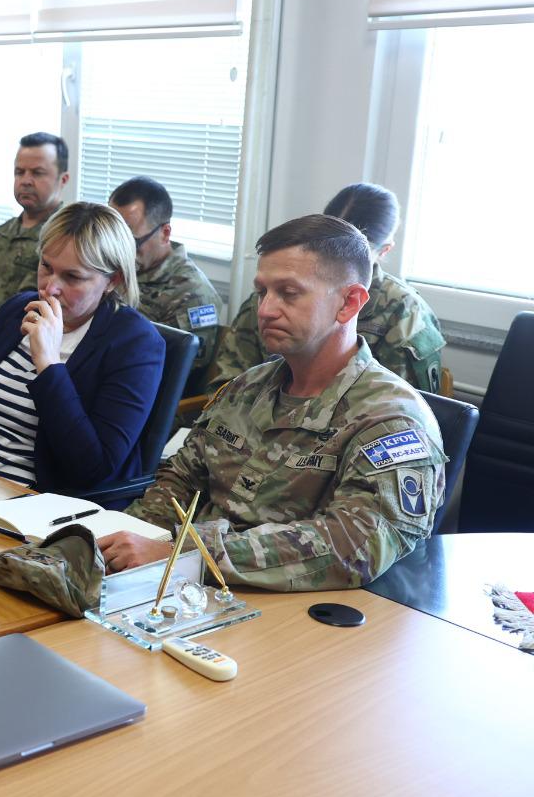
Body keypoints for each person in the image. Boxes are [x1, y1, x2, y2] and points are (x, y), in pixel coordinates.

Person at [99, 215, 445, 591]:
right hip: (189, 585)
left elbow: (354, 544)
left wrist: (187, 556)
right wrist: (119, 547)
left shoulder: (391, 420)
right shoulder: (247, 387)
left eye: (289, 293)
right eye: (262, 291)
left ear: (349, 303)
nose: (264, 310)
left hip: (290, 606)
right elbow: (180, 481)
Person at [0, 203, 162, 497]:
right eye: (46, 267)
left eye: (72, 277)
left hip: (41, 506)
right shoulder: (19, 309)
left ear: (112, 281)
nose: (50, 288)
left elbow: (93, 468)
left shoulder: (136, 344)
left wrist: (49, 365)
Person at [207, 183, 446, 393]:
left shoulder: (406, 314)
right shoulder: (269, 298)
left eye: (359, 249)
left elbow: (414, 405)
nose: (267, 309)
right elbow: (228, 388)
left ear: (384, 250)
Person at [0, 132, 72, 365]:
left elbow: (53, 319)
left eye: (37, 173)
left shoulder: (67, 241)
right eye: (20, 172)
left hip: (15, 360)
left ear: (63, 179)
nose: (26, 180)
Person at [109, 175, 222, 388]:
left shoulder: (192, 294)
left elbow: (174, 374)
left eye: (132, 241)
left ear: (165, 233)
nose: (120, 250)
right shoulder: (111, 267)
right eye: (114, 237)